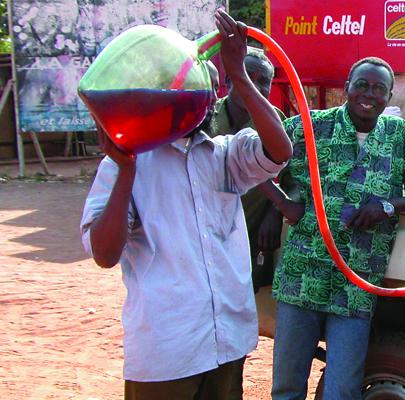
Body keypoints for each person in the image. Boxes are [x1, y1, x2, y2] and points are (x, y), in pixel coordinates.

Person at [79, 10, 292, 400]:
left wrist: (239, 77)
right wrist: (125, 169)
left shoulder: (224, 155)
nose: (208, 99)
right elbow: (105, 254)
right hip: (166, 354)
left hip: (227, 343)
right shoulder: (126, 164)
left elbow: (280, 151)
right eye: (200, 88)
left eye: (214, 91)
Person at [266, 56, 405, 399]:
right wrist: (279, 205)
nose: (369, 94)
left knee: (343, 389)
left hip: (357, 282)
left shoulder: (398, 135)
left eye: (379, 88)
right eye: (362, 84)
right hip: (303, 276)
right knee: (287, 386)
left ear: (389, 95)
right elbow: (256, 158)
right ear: (347, 87)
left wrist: (387, 207)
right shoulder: (309, 126)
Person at [207, 47, 286, 400]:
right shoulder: (206, 118)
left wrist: (274, 212)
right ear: (229, 80)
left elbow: (289, 172)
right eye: (249, 77)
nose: (257, 86)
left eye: (264, 82)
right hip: (206, 238)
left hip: (251, 239)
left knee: (239, 317)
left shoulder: (273, 120)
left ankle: (231, 388)